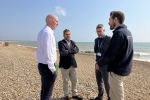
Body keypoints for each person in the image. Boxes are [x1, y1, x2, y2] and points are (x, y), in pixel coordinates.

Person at [96, 11, 133, 100]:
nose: (108, 23)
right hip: (123, 69)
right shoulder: (127, 32)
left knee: (118, 97)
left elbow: (110, 54)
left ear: (115, 19)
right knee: (112, 96)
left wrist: (99, 63)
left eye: (110, 20)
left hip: (117, 71)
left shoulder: (119, 33)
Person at [36, 14, 59, 100]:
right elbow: (47, 53)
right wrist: (52, 68)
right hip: (48, 67)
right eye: (56, 21)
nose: (58, 23)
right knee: (47, 94)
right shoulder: (48, 33)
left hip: (43, 65)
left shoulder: (42, 31)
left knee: (44, 91)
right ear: (50, 20)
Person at [58, 29, 83, 100]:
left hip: (73, 64)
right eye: (66, 34)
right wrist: (72, 51)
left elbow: (77, 50)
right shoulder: (61, 43)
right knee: (65, 81)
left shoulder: (73, 42)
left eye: (69, 34)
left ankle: (75, 94)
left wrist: (68, 51)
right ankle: (66, 95)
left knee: (74, 80)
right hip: (64, 65)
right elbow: (63, 52)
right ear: (63, 35)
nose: (68, 35)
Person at [90, 24, 111, 100]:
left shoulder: (109, 39)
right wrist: (97, 63)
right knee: (99, 82)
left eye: (100, 31)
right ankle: (100, 96)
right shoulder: (96, 40)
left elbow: (110, 53)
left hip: (105, 65)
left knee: (107, 83)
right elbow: (96, 51)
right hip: (97, 63)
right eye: (97, 31)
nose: (98, 33)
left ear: (104, 30)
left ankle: (110, 98)